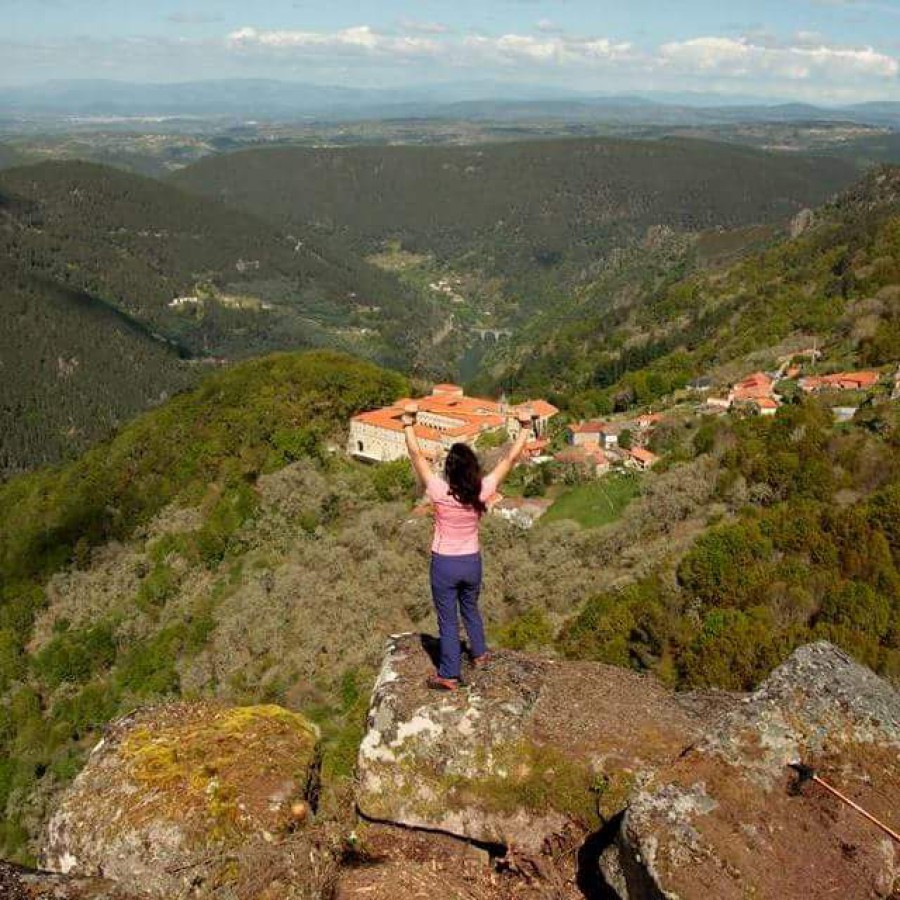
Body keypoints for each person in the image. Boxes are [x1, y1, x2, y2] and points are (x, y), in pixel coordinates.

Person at [402, 402, 535, 690]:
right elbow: (511, 458)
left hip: (445, 563)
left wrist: (408, 423)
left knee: (448, 621)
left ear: (448, 470)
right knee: (471, 608)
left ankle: (449, 674)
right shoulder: (484, 490)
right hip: (471, 561)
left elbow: (415, 455)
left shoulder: (438, 491)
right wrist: (526, 428)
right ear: (473, 467)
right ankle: (480, 654)